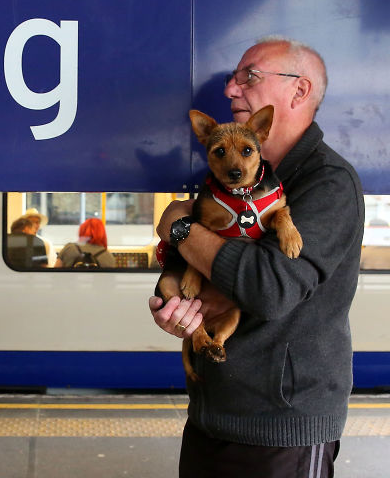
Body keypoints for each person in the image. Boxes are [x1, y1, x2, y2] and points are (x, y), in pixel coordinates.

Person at [148, 37, 364, 477]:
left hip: (282, 428)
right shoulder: (238, 179)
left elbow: (268, 288)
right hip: (214, 410)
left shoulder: (328, 183)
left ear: (298, 91)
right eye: (232, 78)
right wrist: (181, 308)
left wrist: (181, 226)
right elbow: (214, 275)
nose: (230, 89)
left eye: (248, 76)